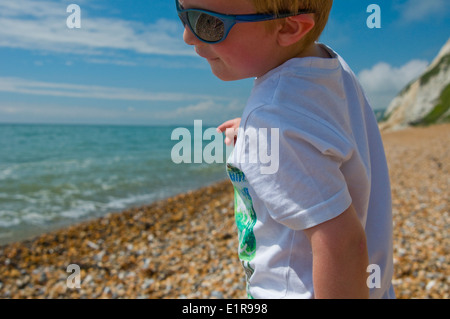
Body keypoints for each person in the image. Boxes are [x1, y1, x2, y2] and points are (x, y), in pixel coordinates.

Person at [176, 0, 395, 299]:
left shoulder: (276, 119)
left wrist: (272, 132)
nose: (187, 35)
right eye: (180, 9)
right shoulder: (328, 66)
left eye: (207, 22)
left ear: (289, 28)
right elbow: (324, 128)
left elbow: (343, 246)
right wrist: (263, 135)